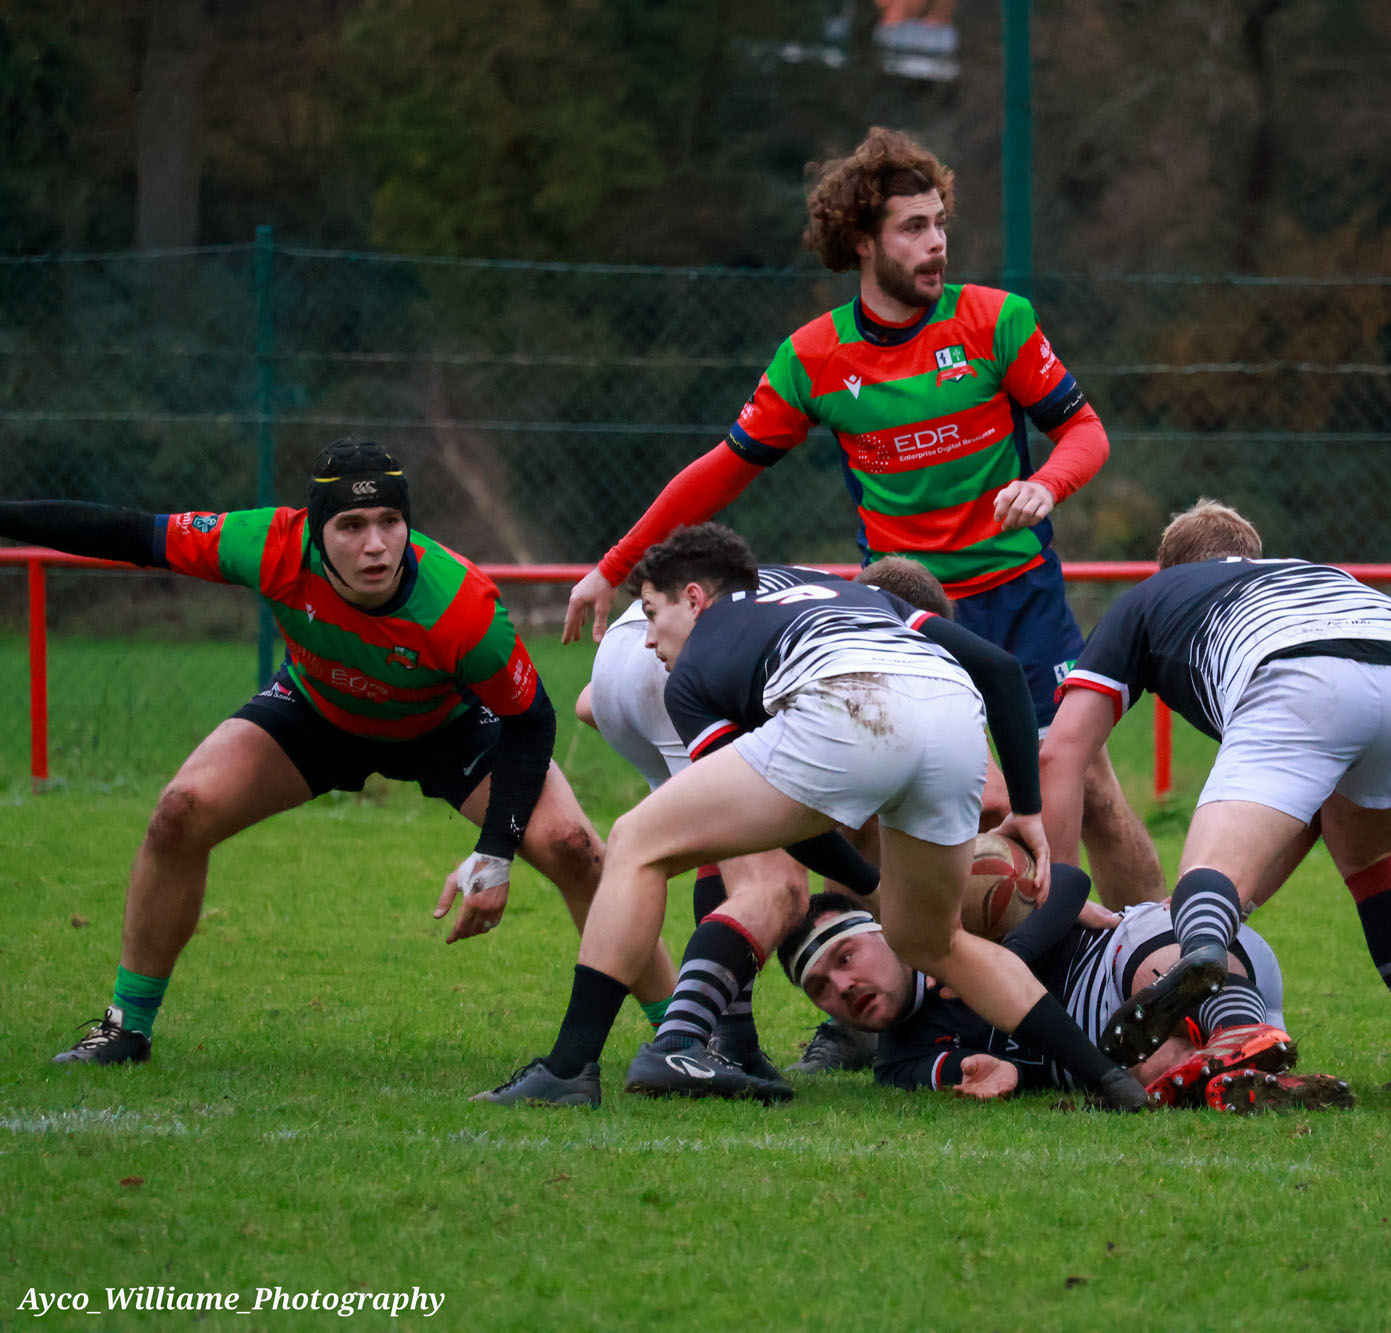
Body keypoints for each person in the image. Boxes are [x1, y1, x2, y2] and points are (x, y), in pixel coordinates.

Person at [560, 126, 1160, 909]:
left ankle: (1151, 947)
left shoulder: (996, 320)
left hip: (1020, 595)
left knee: (1082, 786)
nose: (936, 242)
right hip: (896, 608)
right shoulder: (814, 357)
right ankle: (882, 975)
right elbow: (718, 472)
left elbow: (1085, 431)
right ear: (863, 243)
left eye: (940, 222)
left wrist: (1048, 484)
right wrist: (613, 567)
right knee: (870, 803)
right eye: (913, 227)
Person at [0, 439, 675, 1065]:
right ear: (314, 530)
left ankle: (681, 1036)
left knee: (574, 848)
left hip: (448, 727)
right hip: (318, 710)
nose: (375, 545)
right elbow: (132, 534)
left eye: (389, 521)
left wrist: (494, 852)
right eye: (351, 526)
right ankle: (127, 1027)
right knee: (181, 810)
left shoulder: (462, 605)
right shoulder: (267, 543)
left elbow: (531, 720)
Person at [476, 523, 1150, 1111]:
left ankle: (570, 1068)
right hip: (951, 713)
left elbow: (772, 824)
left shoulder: (695, 667)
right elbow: (999, 671)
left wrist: (860, 876)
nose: (649, 639)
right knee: (931, 941)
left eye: (652, 614)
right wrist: (1027, 810)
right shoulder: (851, 593)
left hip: (847, 702)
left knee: (635, 841)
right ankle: (1110, 1078)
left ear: (695, 598)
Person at [1024, 500, 1391, 1095]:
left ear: (1168, 569)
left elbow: (1060, 752)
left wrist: (1062, 896)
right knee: (1371, 861)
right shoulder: (1302, 572)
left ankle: (1200, 959)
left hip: (1300, 669)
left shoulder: (1154, 595)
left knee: (1203, 870)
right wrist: (1229, 901)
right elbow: (1310, 809)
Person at [574, 562, 877, 1089]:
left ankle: (728, 1040)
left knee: (720, 846)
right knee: (777, 887)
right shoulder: (868, 627)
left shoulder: (813, 588)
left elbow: (588, 705)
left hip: (616, 669)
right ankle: (680, 1044)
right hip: (675, 666)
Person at [778, 871, 1354, 1113]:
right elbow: (986, 1071)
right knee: (1154, 1067)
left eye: (845, 958)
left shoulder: (961, 920)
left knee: (1160, 961)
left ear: (884, 931)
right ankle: (1250, 1067)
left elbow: (1070, 881)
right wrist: (1001, 1073)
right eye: (820, 988)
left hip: (1128, 954)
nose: (843, 987)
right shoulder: (898, 1064)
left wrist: (1002, 962)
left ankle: (1227, 1018)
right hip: (1119, 1042)